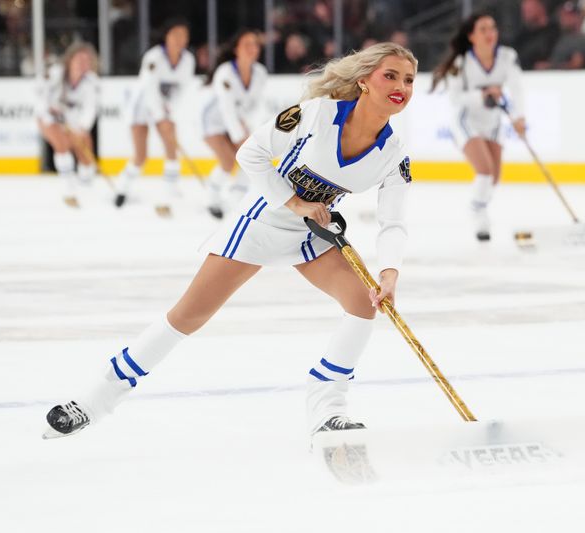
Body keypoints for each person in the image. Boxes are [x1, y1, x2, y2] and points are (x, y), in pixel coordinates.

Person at [43, 42, 417, 439]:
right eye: (389, 75)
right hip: (260, 223)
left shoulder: (394, 153)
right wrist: (294, 202)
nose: (401, 86)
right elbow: (251, 153)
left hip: (313, 234)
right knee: (188, 316)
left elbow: (392, 221)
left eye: (408, 79)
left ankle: (327, 407)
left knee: (363, 303)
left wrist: (389, 273)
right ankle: (95, 400)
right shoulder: (316, 115)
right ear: (363, 81)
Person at [431, 13, 526, 241]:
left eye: (492, 28)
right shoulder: (461, 62)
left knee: (494, 176)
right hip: (466, 121)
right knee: (484, 170)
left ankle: (480, 205)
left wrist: (518, 117)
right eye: (483, 29)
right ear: (472, 36)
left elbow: (517, 87)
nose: (489, 33)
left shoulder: (506, 56)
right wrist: (482, 95)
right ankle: (478, 212)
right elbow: (455, 99)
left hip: (492, 120)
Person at [114, 18, 196, 212]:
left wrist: (168, 111)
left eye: (183, 35)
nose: (179, 39)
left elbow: (181, 89)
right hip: (141, 106)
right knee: (141, 156)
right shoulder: (154, 57)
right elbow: (149, 90)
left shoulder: (188, 61)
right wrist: (160, 116)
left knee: (171, 144)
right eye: (175, 34)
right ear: (165, 37)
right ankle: (122, 189)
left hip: (164, 106)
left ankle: (169, 192)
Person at [201, 29, 268, 219]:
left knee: (249, 156)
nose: (252, 49)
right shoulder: (225, 73)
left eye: (255, 44)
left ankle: (237, 197)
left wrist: (251, 130)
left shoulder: (260, 73)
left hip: (238, 120)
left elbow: (257, 106)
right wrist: (241, 137)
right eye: (246, 44)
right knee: (228, 161)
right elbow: (226, 109)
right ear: (236, 49)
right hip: (212, 121)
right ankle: (211, 198)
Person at [35, 42, 100, 207]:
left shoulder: (91, 82)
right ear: (70, 59)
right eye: (79, 59)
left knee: (86, 150)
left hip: (74, 122)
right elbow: (41, 98)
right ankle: (68, 187)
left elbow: (90, 109)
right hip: (49, 118)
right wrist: (49, 116)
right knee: (61, 143)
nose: (83, 63)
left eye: (87, 60)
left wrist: (82, 128)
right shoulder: (55, 74)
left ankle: (86, 188)